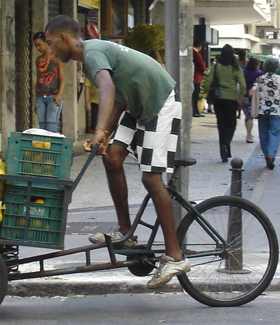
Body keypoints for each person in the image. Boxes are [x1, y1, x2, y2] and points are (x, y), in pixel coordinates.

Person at [44, 15, 190, 289]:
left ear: (64, 38)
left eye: (51, 44)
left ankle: (175, 255)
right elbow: (121, 96)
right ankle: (126, 232)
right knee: (111, 157)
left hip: (160, 102)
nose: (51, 52)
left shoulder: (92, 52)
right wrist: (104, 133)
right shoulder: (90, 58)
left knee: (151, 178)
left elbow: (108, 88)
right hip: (137, 105)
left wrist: (99, 128)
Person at [203, 44, 246, 162]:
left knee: (221, 124)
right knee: (231, 124)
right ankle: (226, 144)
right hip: (231, 99)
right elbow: (243, 86)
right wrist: (240, 99)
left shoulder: (216, 67)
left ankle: (223, 150)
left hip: (218, 99)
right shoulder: (236, 68)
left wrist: (207, 93)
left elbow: (207, 83)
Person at [250, 58, 280, 170]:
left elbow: (251, 91)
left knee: (263, 134)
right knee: (274, 132)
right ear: (277, 67)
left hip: (262, 110)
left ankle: (267, 155)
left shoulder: (260, 79)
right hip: (277, 110)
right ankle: (272, 154)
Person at [33, 31, 65, 132]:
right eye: (36, 46)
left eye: (39, 45)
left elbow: (62, 78)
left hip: (53, 96)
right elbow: (38, 79)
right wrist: (35, 99)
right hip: (40, 96)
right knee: (42, 128)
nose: (38, 48)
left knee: (51, 127)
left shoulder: (57, 57)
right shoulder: (38, 60)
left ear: (46, 42)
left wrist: (59, 95)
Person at [242, 57, 263, 143]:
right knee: (251, 117)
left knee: (247, 116)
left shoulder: (243, 72)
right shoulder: (260, 73)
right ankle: (248, 135)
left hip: (244, 96)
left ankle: (249, 133)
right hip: (254, 98)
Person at [192, 39, 206, 117]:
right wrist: (204, 71)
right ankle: (195, 111)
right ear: (200, 46)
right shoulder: (196, 53)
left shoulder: (192, 52)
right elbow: (201, 65)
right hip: (196, 77)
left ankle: (195, 110)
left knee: (195, 95)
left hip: (194, 76)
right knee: (195, 95)